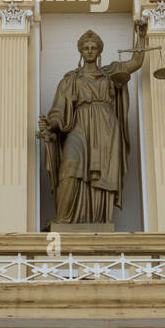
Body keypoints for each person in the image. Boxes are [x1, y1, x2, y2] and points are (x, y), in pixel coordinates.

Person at [37, 22, 147, 225]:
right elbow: (59, 110)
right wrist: (51, 124)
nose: (89, 51)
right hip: (79, 124)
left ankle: (98, 220)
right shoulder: (70, 79)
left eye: (93, 47)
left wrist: (141, 35)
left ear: (99, 51)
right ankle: (64, 218)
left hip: (106, 127)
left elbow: (137, 61)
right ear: (80, 50)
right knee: (70, 166)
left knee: (101, 175)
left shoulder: (111, 72)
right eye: (86, 47)